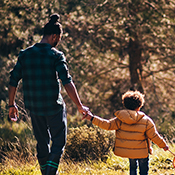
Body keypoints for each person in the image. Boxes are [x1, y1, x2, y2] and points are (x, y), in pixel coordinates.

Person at [8, 13, 88, 175]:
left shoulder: (25, 54)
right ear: (54, 36)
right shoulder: (56, 55)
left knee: (42, 142)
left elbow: (13, 80)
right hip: (54, 107)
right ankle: (51, 172)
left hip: (35, 108)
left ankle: (46, 172)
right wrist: (79, 106)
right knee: (59, 141)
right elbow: (67, 81)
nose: (58, 41)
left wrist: (12, 104)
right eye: (59, 38)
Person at [83, 90, 169, 175]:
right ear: (139, 106)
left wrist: (92, 118)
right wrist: (163, 145)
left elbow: (107, 125)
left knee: (132, 168)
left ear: (125, 105)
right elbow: (154, 136)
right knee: (143, 171)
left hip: (129, 151)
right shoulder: (146, 121)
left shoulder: (120, 119)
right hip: (142, 152)